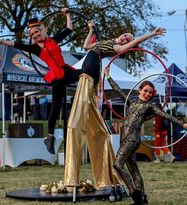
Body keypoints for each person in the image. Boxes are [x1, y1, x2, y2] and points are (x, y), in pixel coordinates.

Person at [64, 21, 167, 191]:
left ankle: (79, 178)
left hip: (89, 76)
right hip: (88, 74)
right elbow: (86, 45)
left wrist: (152, 34)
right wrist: (90, 29)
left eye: (129, 39)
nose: (126, 37)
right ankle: (109, 176)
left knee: (76, 124)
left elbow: (134, 43)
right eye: (126, 34)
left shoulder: (118, 49)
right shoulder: (106, 43)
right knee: (100, 132)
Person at [0, 8, 82, 154]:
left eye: (37, 32)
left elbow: (69, 29)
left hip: (66, 71)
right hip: (57, 77)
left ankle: (91, 95)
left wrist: (68, 14)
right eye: (32, 34)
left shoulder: (53, 40)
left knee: (86, 73)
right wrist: (0, 41)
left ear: (42, 30)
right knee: (55, 108)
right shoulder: (35, 48)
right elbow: (16, 44)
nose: (35, 35)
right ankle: (49, 137)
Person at [104, 66, 187, 205]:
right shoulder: (132, 102)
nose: (147, 94)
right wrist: (108, 76)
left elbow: (166, 115)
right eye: (145, 91)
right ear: (140, 90)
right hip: (124, 138)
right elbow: (119, 91)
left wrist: (183, 124)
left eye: (150, 92)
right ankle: (144, 198)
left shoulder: (150, 106)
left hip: (132, 138)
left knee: (117, 164)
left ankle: (136, 196)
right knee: (132, 168)